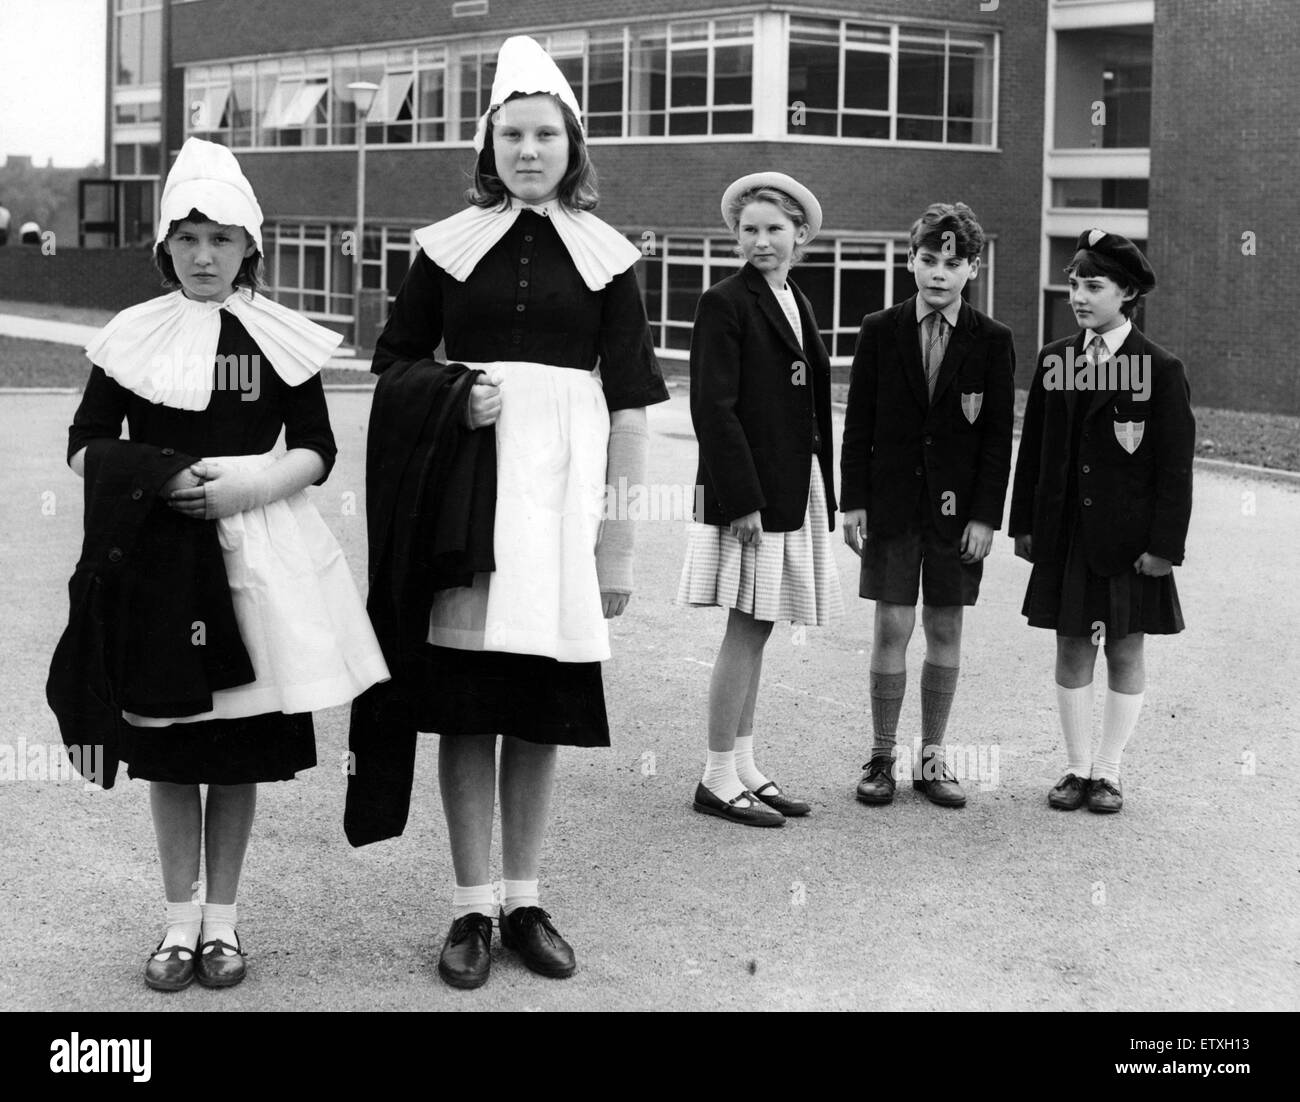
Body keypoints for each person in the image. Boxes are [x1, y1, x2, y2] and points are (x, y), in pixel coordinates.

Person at [349, 36, 668, 990]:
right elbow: (393, 365)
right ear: (489, 147)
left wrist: (617, 548)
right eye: (512, 134)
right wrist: (453, 393)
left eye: (546, 134)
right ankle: (469, 903)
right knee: (467, 713)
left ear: (574, 144)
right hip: (469, 507)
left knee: (538, 712)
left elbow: (632, 406)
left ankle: (525, 898)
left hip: (563, 518)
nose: (529, 150)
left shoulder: (611, 260)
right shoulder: (447, 249)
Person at [49, 137, 389, 991]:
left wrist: (252, 489)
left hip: (257, 555)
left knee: (238, 747)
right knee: (169, 747)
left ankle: (224, 926)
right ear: (166, 247)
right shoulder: (133, 335)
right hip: (162, 555)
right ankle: (174, 923)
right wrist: (158, 476)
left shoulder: (275, 337)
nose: (206, 256)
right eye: (189, 238)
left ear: (251, 249)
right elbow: (84, 446)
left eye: (224, 239)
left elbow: (316, 447)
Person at [677, 171, 842, 827]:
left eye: (775, 229)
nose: (762, 240)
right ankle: (717, 776)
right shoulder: (726, 303)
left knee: (761, 621)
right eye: (750, 230)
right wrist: (740, 498)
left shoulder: (795, 300)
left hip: (792, 488)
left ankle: (743, 764)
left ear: (800, 235)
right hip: (749, 495)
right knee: (745, 626)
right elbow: (712, 409)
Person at [1009, 229, 1193, 814]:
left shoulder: (1159, 368)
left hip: (1129, 543)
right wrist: (1025, 524)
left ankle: (1109, 772)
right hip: (1066, 537)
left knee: (1125, 649)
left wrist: (1165, 545)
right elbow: (1033, 446)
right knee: (1071, 648)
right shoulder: (1056, 359)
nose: (1079, 296)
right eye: (1073, 285)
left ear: (1128, 293)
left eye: (1094, 286)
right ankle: (1076, 767)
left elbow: (1174, 468)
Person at [841, 202, 1014, 809]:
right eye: (928, 259)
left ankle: (933, 756)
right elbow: (857, 421)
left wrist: (986, 516)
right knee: (892, 623)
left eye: (954, 262)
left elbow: (997, 438)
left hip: (956, 516)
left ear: (973, 268)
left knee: (944, 625)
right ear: (911, 261)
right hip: (891, 507)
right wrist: (853, 501)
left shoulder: (992, 341)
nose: (939, 272)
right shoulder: (879, 329)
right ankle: (882, 756)